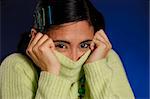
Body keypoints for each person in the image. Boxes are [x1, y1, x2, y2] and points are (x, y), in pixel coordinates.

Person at [0, 0, 135, 99]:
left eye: (84, 45)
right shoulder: (17, 66)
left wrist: (96, 69)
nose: (74, 57)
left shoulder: (106, 58)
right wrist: (51, 73)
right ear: (36, 37)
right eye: (61, 45)